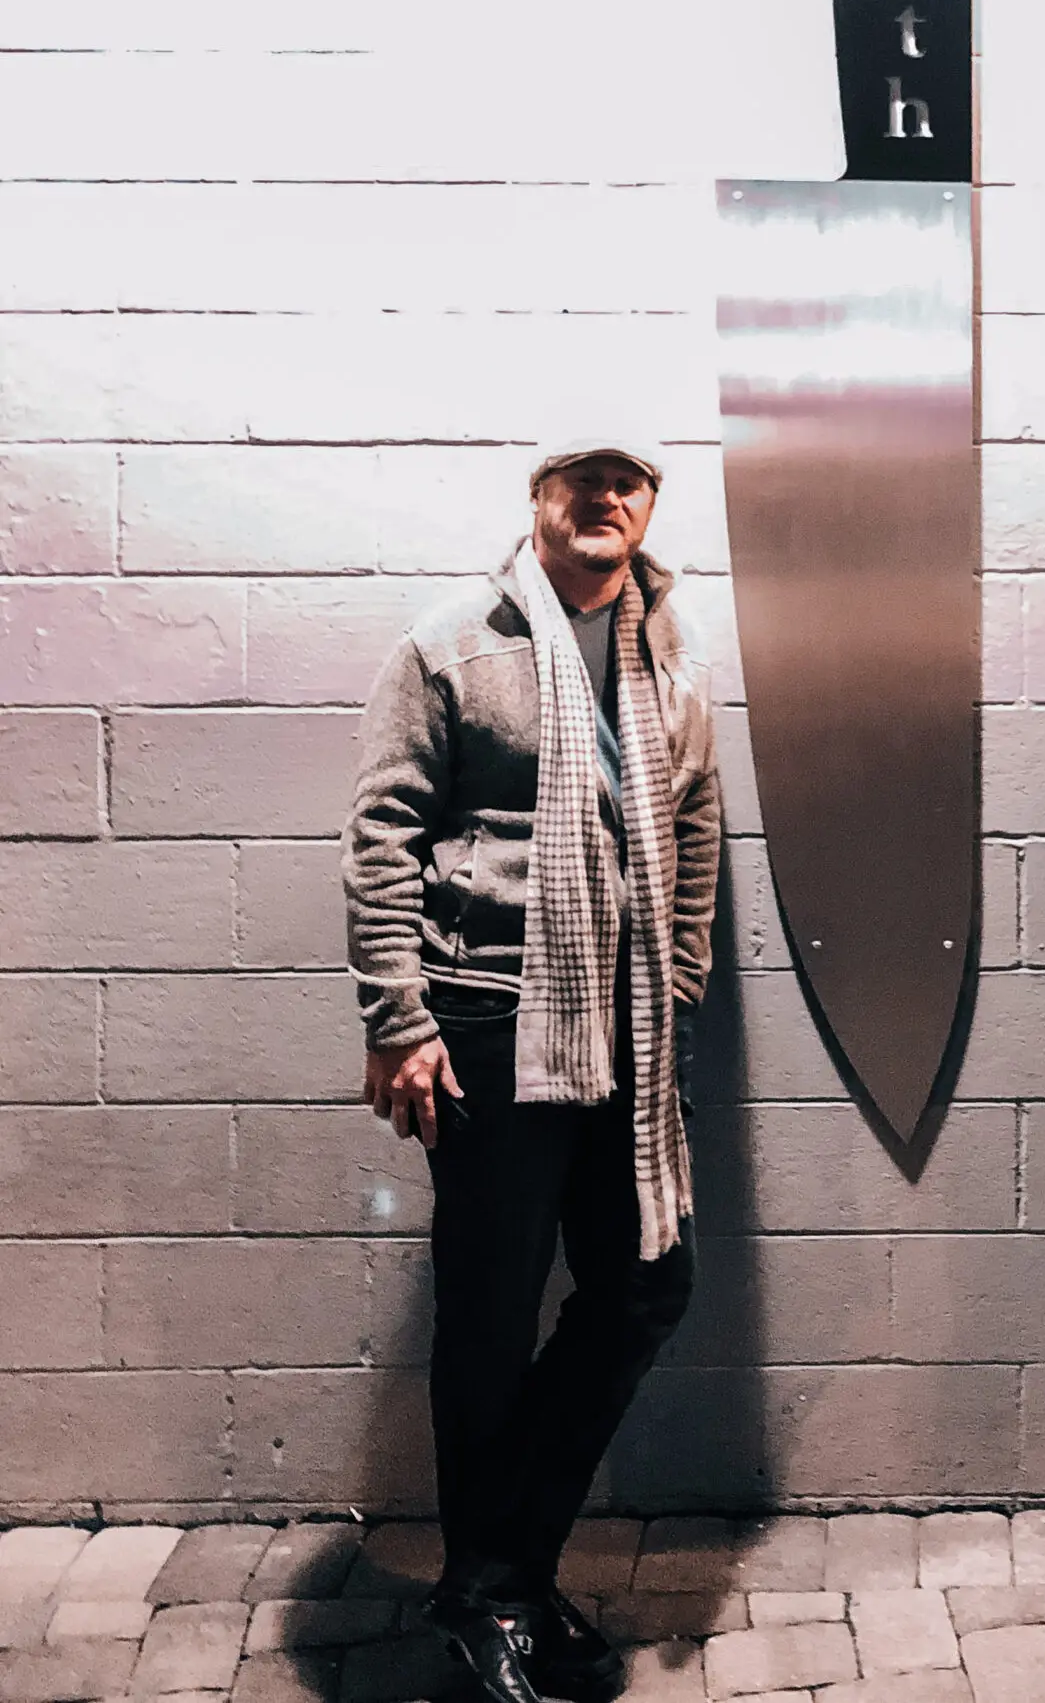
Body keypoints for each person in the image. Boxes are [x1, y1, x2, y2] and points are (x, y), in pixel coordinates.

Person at [342, 436, 721, 1703]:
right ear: (539, 501)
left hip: (627, 1029)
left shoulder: (670, 648)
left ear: (650, 505)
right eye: (580, 480)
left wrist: (676, 978)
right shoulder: (453, 641)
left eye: (628, 482)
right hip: (493, 1023)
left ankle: (497, 1575)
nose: (604, 500)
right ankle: (498, 1585)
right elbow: (383, 832)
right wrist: (399, 1019)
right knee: (491, 1320)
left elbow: (696, 817)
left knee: (646, 1287)